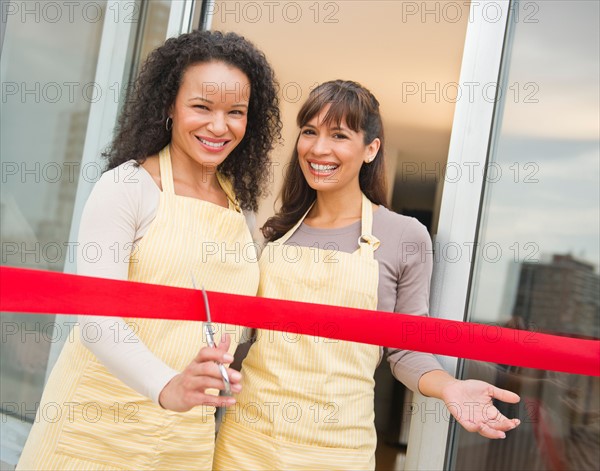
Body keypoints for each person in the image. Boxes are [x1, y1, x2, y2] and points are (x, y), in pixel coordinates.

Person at [213, 80, 521, 470]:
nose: (319, 148)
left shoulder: (403, 235)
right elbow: (245, 337)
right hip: (247, 440)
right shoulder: (274, 234)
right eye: (310, 132)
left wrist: (452, 388)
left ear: (371, 149)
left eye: (338, 135)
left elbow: (405, 347)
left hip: (338, 447)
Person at [17, 30, 281, 471]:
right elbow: (98, 321)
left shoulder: (242, 208)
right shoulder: (127, 187)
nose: (220, 126)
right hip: (95, 426)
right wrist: (168, 384)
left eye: (236, 112)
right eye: (202, 107)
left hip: (184, 437)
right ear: (168, 106)